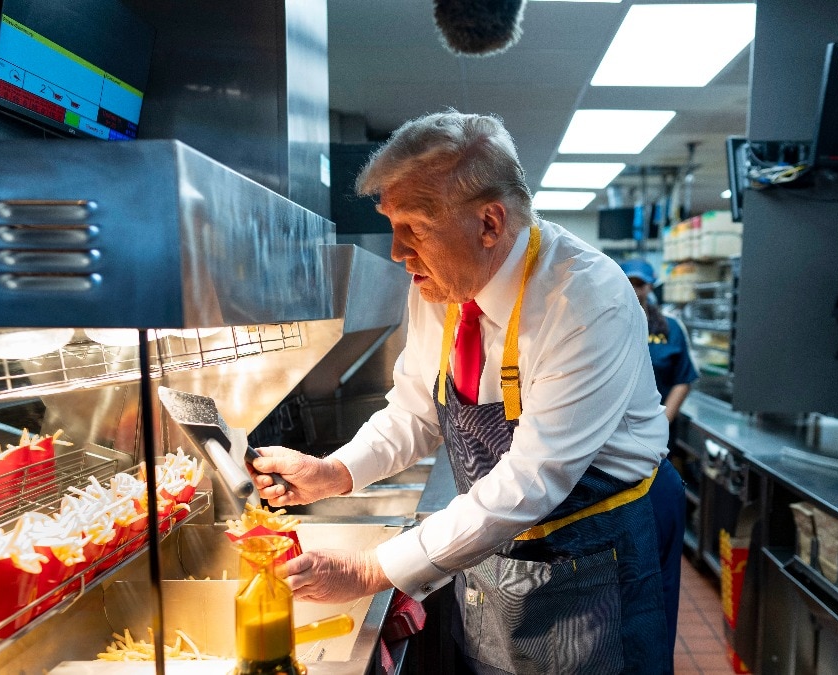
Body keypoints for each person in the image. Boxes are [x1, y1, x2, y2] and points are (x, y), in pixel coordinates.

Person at [250, 110, 685, 674]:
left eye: (417, 227)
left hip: (598, 547)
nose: (397, 252)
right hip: (497, 540)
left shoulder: (584, 297)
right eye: (392, 225)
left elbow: (534, 478)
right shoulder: (442, 283)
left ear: (489, 222)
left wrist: (369, 571)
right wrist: (334, 472)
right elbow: (412, 409)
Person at [619, 258, 699, 425]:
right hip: (613, 431)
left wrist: (661, 426)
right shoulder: (606, 326)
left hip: (657, 429)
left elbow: (682, 379)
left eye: (639, 284)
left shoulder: (671, 328)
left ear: (650, 287)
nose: (634, 290)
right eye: (628, 283)